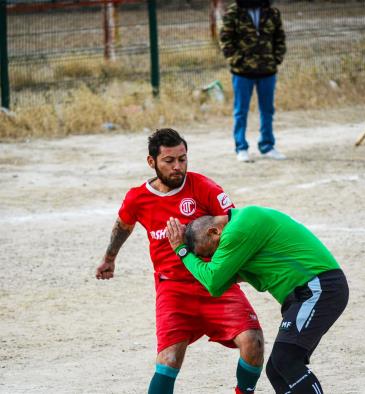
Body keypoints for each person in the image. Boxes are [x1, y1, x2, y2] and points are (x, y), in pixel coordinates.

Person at [95, 129, 264, 394]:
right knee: (169, 360)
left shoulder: (204, 187)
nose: (178, 167)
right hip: (173, 290)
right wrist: (109, 258)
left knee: (253, 341)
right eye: (169, 161)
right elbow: (123, 225)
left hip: (212, 280)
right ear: (152, 162)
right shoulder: (138, 198)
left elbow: (235, 224)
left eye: (183, 159)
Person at [165, 206, 349, 394]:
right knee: (276, 370)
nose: (213, 258)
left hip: (318, 287)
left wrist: (181, 251)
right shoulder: (241, 231)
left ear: (214, 231)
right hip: (306, 292)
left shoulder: (240, 227)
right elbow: (217, 287)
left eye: (210, 252)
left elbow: (212, 281)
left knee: (286, 360)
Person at [220, 0, 287, 163]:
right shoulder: (233, 13)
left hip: (267, 71)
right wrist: (237, 61)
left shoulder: (272, 12)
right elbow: (225, 40)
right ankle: (241, 148)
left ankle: (267, 146)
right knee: (241, 111)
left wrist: (275, 59)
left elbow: (280, 38)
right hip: (242, 73)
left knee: (267, 110)